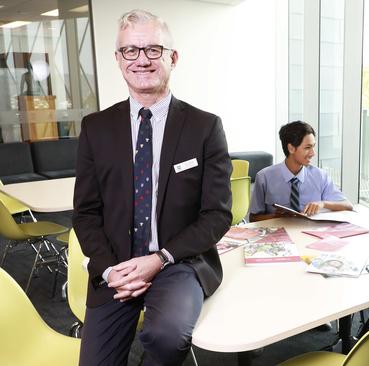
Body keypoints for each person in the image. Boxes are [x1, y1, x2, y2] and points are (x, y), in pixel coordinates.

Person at [72, 10, 232, 365]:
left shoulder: (205, 127)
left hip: (178, 262)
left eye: (152, 50)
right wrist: (111, 270)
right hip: (117, 267)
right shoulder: (95, 128)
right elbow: (85, 213)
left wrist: (160, 258)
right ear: (118, 59)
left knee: (166, 337)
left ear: (172, 58)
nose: (141, 60)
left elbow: (217, 214)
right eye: (130, 50)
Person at [249, 120, 353, 222]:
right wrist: (275, 217)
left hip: (311, 235)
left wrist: (323, 204)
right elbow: (253, 218)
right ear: (291, 148)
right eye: (307, 148)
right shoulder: (264, 177)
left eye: (313, 147)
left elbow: (348, 205)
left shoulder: (320, 176)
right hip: (278, 235)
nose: (313, 153)